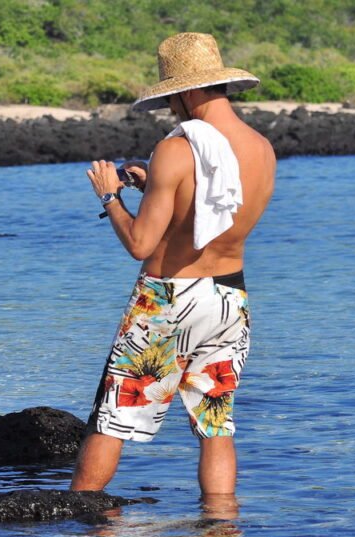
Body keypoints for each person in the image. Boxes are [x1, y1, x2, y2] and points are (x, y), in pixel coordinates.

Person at [70, 32, 276, 505]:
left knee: (112, 417)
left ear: (186, 92)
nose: (169, 111)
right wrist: (156, 187)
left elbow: (141, 242)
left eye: (170, 100)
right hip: (229, 298)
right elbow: (209, 215)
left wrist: (110, 196)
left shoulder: (177, 150)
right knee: (215, 421)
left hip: (168, 298)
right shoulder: (262, 149)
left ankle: (78, 529)